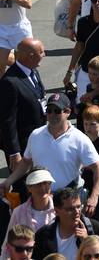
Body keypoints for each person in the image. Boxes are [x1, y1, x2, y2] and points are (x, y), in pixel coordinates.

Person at [0, 37, 46, 170]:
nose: (44, 54)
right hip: (23, 145)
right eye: (41, 52)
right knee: (24, 186)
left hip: (37, 139)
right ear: (31, 56)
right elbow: (7, 121)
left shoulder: (33, 71)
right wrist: (14, 153)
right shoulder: (10, 82)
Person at [32, 186, 99, 259]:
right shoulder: (43, 235)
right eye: (70, 209)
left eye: (79, 207)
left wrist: (87, 241)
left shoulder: (94, 228)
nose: (77, 212)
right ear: (57, 211)